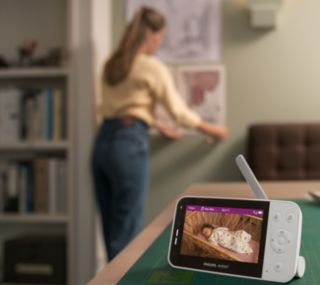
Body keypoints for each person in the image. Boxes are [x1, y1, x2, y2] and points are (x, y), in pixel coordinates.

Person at [92, 7, 229, 261]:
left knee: (111, 229)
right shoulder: (150, 66)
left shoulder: (113, 62)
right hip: (128, 144)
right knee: (127, 229)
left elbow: (118, 107)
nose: (160, 43)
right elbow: (178, 111)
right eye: (160, 37)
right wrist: (212, 129)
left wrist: (154, 123)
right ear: (150, 33)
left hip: (103, 143)